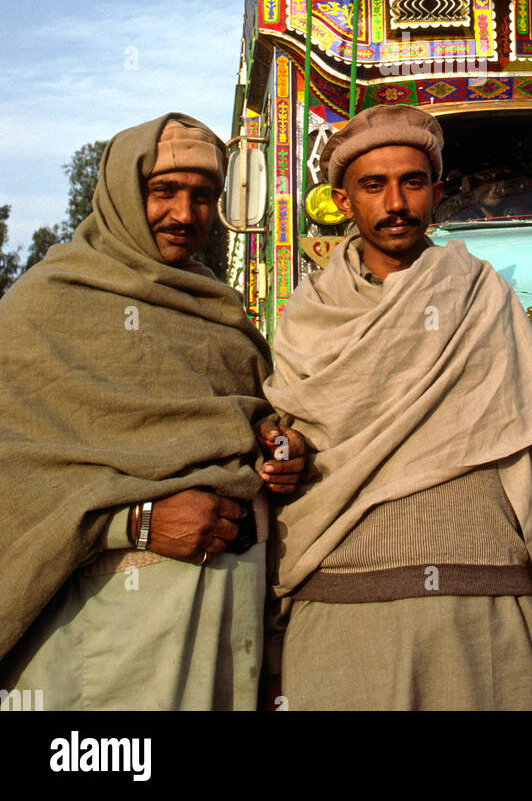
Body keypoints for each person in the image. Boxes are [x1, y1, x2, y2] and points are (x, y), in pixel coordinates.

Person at [264, 104, 532, 712]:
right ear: (341, 201)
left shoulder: (476, 291)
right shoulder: (306, 317)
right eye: (373, 185)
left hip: (484, 610)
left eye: (412, 183)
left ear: (436, 193)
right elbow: (291, 441)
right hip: (337, 612)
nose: (395, 204)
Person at [0, 113, 304, 711]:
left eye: (203, 196)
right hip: (108, 627)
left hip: (227, 621)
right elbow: (18, 475)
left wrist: (276, 443)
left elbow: (243, 414)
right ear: (118, 192)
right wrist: (135, 521)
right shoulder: (42, 305)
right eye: (164, 192)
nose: (185, 216)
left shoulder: (216, 308)